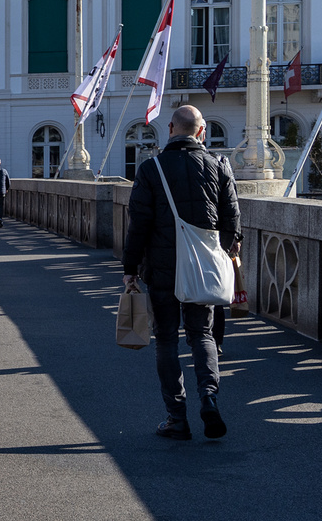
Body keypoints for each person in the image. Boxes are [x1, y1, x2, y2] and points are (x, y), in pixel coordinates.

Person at [122, 104, 239, 441]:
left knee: (167, 340)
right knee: (202, 335)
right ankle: (209, 397)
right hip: (202, 269)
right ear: (201, 132)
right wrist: (220, 252)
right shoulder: (218, 166)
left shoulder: (151, 168)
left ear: (170, 128)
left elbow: (138, 225)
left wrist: (130, 269)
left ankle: (176, 417)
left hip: (163, 270)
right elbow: (233, 220)